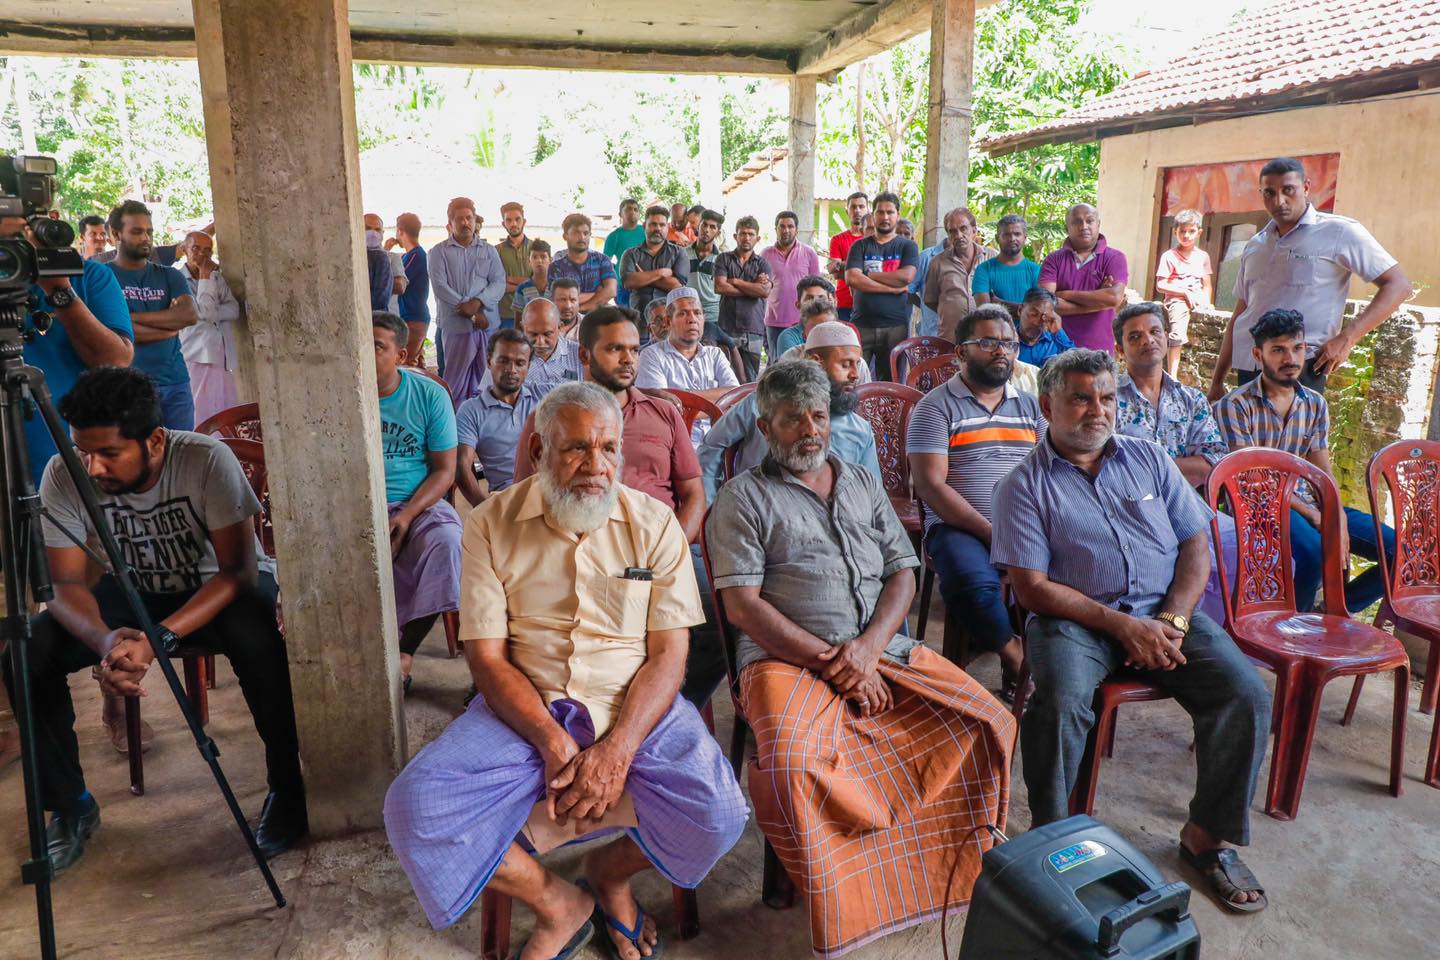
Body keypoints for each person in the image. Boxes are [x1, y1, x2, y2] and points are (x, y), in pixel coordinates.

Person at [385, 382, 747, 960]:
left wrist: (618, 750)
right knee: (414, 809)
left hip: (634, 707)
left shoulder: (655, 523)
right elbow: (487, 658)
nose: (597, 466)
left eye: (609, 448)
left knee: (721, 814)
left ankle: (609, 872)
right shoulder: (491, 523)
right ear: (538, 451)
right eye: (577, 448)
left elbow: (668, 655)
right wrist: (552, 740)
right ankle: (558, 902)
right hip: (528, 706)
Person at [705, 360, 1015, 956]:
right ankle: (843, 899)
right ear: (765, 429)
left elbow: (902, 572)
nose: (809, 430)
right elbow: (743, 608)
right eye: (792, 419)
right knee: (794, 761)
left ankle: (941, 875)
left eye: (818, 416)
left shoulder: (861, 481)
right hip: (782, 658)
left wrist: (868, 652)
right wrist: (837, 665)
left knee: (988, 721)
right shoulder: (742, 498)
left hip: (880, 646)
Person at [990, 347, 1271, 914]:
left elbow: (1195, 543)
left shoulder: (1149, 457)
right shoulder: (1022, 485)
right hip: (1076, 621)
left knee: (1245, 694)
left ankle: (1207, 839)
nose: (1097, 410)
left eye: (1106, 397)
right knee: (1059, 702)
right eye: (1080, 398)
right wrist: (1123, 627)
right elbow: (1033, 589)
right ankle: (1054, 841)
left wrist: (1172, 619)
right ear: (1047, 406)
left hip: (1165, 612)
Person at [3, 367, 306, 873]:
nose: (92, 467)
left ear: (156, 440)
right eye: (83, 451)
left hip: (214, 593)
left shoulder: (205, 459)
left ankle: (288, 789)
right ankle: (72, 807)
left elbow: (237, 572)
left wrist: (157, 639)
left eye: (109, 453)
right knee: (28, 651)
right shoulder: (64, 472)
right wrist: (106, 641)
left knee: (257, 630)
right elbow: (65, 584)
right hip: (131, 593)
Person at [513, 307, 728, 708]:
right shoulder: (550, 417)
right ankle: (596, 704)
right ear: (584, 355)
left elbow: (694, 494)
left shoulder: (663, 414)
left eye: (634, 349)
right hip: (578, 546)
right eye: (615, 349)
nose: (629, 359)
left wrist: (670, 549)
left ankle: (669, 705)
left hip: (663, 547)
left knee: (720, 614)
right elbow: (526, 493)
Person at [1214, 308, 1396, 613]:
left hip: (1307, 501)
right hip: (1260, 505)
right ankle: (1291, 630)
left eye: (1297, 348)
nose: (1291, 359)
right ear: (1258, 355)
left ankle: (1330, 614)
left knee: (1399, 550)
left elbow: (1321, 469)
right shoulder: (1234, 406)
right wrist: (1313, 514)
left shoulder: (1314, 404)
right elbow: (1252, 478)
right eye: (1278, 350)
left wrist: (1336, 515)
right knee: (1313, 554)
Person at [908, 308, 1040, 699]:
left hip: (1024, 524)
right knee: (972, 583)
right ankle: (1015, 657)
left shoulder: (1032, 408)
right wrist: (989, 532)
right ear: (961, 353)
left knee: (1080, 570)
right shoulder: (935, 407)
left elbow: (1049, 474)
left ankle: (1033, 649)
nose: (1001, 351)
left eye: (1008, 343)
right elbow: (931, 486)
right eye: (988, 342)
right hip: (957, 526)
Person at [1208, 157, 1411, 400]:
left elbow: (1399, 285)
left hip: (1301, 367)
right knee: (1249, 427)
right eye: (1269, 193)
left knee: (1300, 426)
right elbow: (1240, 315)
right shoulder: (1256, 245)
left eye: (1288, 190)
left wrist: (1347, 338)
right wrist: (1217, 381)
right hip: (1250, 366)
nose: (1279, 201)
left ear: (1306, 188)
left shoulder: (1339, 232)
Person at [1112, 302, 1232, 625]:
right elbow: (1108, 464)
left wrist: (1150, 465)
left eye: (1155, 331)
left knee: (1242, 546)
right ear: (1120, 349)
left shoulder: (1191, 399)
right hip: (1128, 508)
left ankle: (1211, 631)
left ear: (1167, 337)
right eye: (1135, 336)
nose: (1147, 340)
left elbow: (1212, 461)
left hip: (1187, 505)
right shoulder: (1109, 399)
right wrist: (1178, 467)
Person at [372, 312, 462, 690]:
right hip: (357, 504)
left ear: (401, 355)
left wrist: (407, 515)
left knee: (448, 541)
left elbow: (445, 471)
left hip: (416, 501)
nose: (364, 354)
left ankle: (405, 651)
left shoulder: (428, 395)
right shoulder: (339, 396)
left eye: (377, 346)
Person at [699, 322, 880, 501]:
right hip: (758, 510)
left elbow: (872, 493)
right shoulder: (760, 405)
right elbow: (712, 446)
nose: (856, 374)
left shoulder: (860, 429)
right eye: (846, 365)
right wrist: (708, 504)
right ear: (816, 362)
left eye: (857, 364)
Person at [106, 200, 200, 430]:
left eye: (149, 232)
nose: (146, 238)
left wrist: (129, 318)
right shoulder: (103, 276)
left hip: (175, 382)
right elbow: (111, 332)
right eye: (137, 232)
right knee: (138, 451)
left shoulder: (170, 275)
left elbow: (189, 315)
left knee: (180, 447)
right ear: (116, 234)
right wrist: (169, 325)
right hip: (127, 385)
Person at [634, 287, 738, 443]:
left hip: (720, 443)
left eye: (697, 313)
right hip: (675, 443)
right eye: (683, 313)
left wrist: (685, 395)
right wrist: (717, 404)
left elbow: (734, 395)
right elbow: (663, 409)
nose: (692, 319)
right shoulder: (651, 355)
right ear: (668, 321)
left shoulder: (714, 354)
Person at [429, 196, 507, 402]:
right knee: (454, 381)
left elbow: (499, 282)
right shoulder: (438, 252)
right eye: (460, 219)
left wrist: (478, 303)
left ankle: (485, 418)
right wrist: (472, 313)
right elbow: (440, 287)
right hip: (456, 327)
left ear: (475, 220)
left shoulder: (489, 250)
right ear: (450, 223)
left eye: (469, 218)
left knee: (488, 380)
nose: (465, 223)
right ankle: (453, 419)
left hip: (487, 326)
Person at [455, 328, 538, 507]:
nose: (512, 370)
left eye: (520, 363)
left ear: (528, 367)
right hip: (507, 497)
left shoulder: (542, 398)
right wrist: (484, 509)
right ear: (489, 362)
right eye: (503, 361)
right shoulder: (471, 410)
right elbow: (461, 465)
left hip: (550, 489)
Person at [845, 191, 919, 381]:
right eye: (880, 212)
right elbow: (852, 278)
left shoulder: (907, 246)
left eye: (890, 212)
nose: (885, 217)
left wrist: (868, 275)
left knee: (891, 384)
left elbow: (906, 277)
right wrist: (891, 288)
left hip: (895, 327)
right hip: (862, 324)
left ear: (898, 215)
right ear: (873, 215)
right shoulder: (859, 246)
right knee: (854, 380)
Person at [1039, 203, 1129, 354]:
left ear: (1098, 224)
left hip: (1099, 350)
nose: (1084, 226)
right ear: (1067, 227)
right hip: (1057, 349)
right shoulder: (1054, 259)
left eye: (1090, 220)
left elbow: (1114, 297)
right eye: (1077, 222)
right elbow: (1045, 304)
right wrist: (1099, 303)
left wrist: (1064, 294)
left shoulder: (1114, 258)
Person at [176, 231, 240, 425]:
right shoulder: (176, 280)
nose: (202, 255)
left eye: (207, 250)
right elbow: (202, 312)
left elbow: (233, 309)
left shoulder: (216, 277)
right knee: (200, 413)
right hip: (196, 355)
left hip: (221, 353)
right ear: (184, 250)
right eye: (196, 249)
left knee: (225, 411)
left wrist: (210, 313)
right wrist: (205, 277)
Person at [483, 298, 583, 396]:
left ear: (560, 327)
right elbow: (485, 396)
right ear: (522, 327)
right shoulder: (503, 355)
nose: (540, 342)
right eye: (533, 334)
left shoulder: (579, 355)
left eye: (547, 334)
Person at [1153, 209, 1212, 377]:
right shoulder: (1169, 256)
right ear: (1175, 232)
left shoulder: (1203, 256)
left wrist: (1206, 302)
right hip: (1177, 300)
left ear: (1199, 232)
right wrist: (1184, 293)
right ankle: (1172, 375)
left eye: (1191, 231)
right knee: (1177, 333)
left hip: (1197, 297)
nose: (1186, 235)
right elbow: (1161, 284)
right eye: (1182, 231)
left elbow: (1207, 285)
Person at [714, 215, 774, 381]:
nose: (746, 238)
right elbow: (720, 287)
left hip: (753, 328)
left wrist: (735, 281)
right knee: (726, 377)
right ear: (735, 236)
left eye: (750, 234)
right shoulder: (723, 259)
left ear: (757, 238)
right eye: (742, 233)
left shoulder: (763, 264)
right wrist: (752, 288)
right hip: (727, 327)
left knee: (750, 379)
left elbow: (764, 292)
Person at [923, 207, 993, 343]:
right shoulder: (937, 263)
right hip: (951, 340)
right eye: (952, 231)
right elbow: (931, 300)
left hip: (985, 340)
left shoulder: (991, 259)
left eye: (963, 229)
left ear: (974, 230)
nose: (959, 235)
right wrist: (952, 311)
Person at [760, 210, 821, 357]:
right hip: (774, 321)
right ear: (776, 229)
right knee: (776, 362)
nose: (786, 230)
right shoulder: (765, 254)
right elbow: (761, 285)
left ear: (796, 230)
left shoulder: (809, 253)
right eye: (782, 226)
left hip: (803, 321)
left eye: (790, 226)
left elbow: (817, 287)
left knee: (804, 361)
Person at [620, 205, 690, 330]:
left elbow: (677, 286)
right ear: (644, 226)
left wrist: (644, 276)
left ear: (667, 227)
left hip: (669, 322)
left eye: (662, 225)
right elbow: (629, 282)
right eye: (653, 224)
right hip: (639, 321)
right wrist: (661, 273)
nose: (658, 228)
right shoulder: (630, 254)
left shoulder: (679, 253)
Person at [774, 298, 872, 383]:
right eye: (816, 330)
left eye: (831, 328)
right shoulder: (790, 359)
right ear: (804, 335)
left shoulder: (858, 364)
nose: (825, 335)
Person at [973, 214, 1042, 320]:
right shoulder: (984, 270)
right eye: (1006, 235)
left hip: (1029, 331)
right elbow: (985, 312)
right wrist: (1024, 310)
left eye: (1017, 234)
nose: (1012, 239)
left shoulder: (1035, 270)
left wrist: (998, 302)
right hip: (996, 330)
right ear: (997, 238)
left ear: (1025, 238)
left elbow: (1039, 312)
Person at [548, 213, 617, 314]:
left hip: (598, 317)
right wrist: (598, 293)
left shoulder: (602, 260)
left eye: (586, 233)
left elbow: (611, 291)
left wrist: (581, 308)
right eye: (576, 233)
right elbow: (561, 299)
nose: (582, 237)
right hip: (568, 319)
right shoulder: (556, 267)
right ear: (565, 236)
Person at [393, 212, 431, 364]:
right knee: (416, 363)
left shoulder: (416, 256)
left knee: (405, 363)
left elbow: (396, 282)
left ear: (400, 231)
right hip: (411, 317)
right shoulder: (408, 256)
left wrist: (386, 249)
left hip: (413, 318)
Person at [827, 191, 868, 322]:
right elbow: (836, 272)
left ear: (868, 209)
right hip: (844, 304)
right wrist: (864, 267)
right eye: (853, 207)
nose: (857, 210)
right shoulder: (837, 240)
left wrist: (845, 265)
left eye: (861, 206)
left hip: (870, 302)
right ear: (847, 211)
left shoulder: (875, 239)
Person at [773, 275, 837, 356]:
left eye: (821, 298)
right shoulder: (789, 336)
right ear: (798, 305)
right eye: (809, 298)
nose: (815, 302)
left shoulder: (841, 331)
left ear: (830, 302)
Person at [603, 198, 646, 308]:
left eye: (636, 209)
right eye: (628, 209)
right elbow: (605, 264)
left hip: (645, 282)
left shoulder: (646, 231)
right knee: (626, 316)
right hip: (623, 285)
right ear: (620, 214)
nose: (633, 212)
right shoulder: (614, 236)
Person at [496, 201, 533, 330]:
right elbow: (498, 285)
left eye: (517, 219)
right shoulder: (495, 251)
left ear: (524, 221)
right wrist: (528, 283)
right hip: (505, 315)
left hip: (532, 313)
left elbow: (540, 282)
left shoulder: (536, 248)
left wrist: (510, 279)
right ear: (503, 224)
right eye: (509, 220)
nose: (514, 224)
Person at [1016, 287, 1074, 366]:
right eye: (1033, 314)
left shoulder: (1056, 342)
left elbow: (1076, 364)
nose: (1037, 322)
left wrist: (1058, 332)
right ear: (1020, 310)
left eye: (1044, 317)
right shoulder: (1008, 342)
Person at [688, 209, 724, 330]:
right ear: (698, 226)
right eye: (704, 225)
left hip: (713, 317)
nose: (707, 230)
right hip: (688, 313)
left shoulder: (722, 259)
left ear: (718, 232)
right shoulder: (682, 254)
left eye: (712, 227)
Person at [364, 213, 396, 313]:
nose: (373, 233)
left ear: (382, 233)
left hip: (374, 317)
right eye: (368, 228)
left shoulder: (381, 257)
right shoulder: (354, 256)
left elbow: (381, 299)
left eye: (377, 230)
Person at [511, 238, 551, 317]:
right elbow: (518, 318)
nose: (539, 260)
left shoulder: (556, 287)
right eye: (534, 257)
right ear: (529, 261)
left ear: (550, 260)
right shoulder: (522, 288)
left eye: (543, 257)